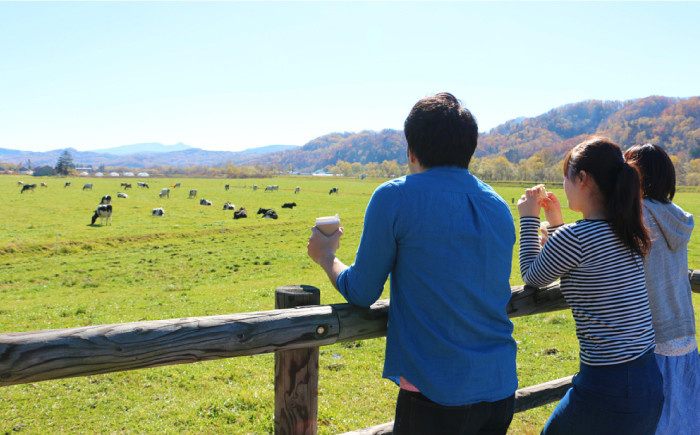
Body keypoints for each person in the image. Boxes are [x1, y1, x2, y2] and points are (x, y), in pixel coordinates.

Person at [307, 92, 518, 434]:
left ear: (411, 150)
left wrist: (326, 257)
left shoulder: (395, 196)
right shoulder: (496, 204)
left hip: (434, 390)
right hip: (499, 385)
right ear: (470, 149)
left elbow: (362, 291)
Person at [517, 137, 663, 435]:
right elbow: (585, 263)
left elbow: (532, 275)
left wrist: (529, 218)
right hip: (646, 376)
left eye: (567, 175)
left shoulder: (576, 237)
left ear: (582, 178)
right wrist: (556, 224)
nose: (564, 182)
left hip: (607, 385)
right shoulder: (628, 231)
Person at [623, 143, 699, 435]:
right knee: (682, 421)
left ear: (636, 176)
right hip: (684, 336)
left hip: (651, 338)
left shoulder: (637, 213)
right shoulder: (676, 215)